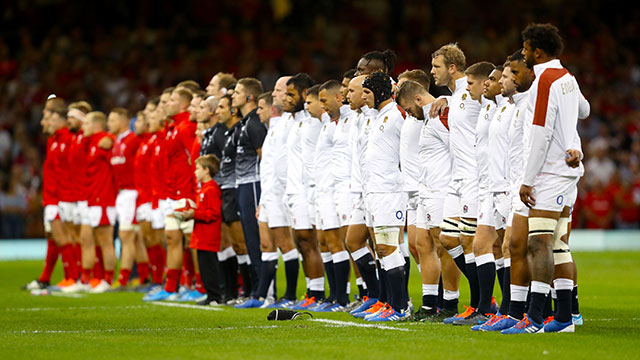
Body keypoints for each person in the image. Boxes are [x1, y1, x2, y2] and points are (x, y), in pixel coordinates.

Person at [505, 23, 585, 334]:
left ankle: (535, 319)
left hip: (548, 173)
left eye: (525, 49)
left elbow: (540, 132)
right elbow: (585, 111)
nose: (523, 55)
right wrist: (572, 144)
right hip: (563, 170)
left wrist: (527, 180)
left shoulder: (544, 80)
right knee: (556, 243)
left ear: (537, 51)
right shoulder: (567, 77)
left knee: (537, 244)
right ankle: (564, 318)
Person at [429, 44, 485, 325]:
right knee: (448, 238)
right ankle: (483, 301)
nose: (432, 72)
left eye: (436, 66)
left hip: (474, 176)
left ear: (452, 68)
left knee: (470, 241)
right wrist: (448, 101)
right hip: (457, 177)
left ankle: (481, 305)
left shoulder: (475, 91)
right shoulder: (455, 96)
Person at [396, 80, 460, 322]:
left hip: (440, 190)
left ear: (418, 100)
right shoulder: (424, 119)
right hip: (424, 191)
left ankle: (450, 304)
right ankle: (430, 304)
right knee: (422, 245)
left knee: (443, 247)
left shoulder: (438, 117)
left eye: (408, 108)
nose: (407, 114)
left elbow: (457, 148)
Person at [361, 72, 408, 322]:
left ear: (380, 91)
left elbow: (411, 147)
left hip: (390, 190)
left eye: (367, 92)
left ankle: (400, 307)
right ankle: (391, 304)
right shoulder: (379, 116)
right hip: (375, 191)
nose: (364, 97)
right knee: (382, 249)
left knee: (388, 247)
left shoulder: (396, 115)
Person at [282, 73, 326, 310]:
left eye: (291, 94)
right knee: (301, 241)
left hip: (311, 189)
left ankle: (319, 292)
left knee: (312, 241)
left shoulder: (317, 120)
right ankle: (312, 290)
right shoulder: (295, 121)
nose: (286, 99)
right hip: (294, 189)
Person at [231, 78, 267, 303]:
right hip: (243, 184)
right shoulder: (244, 122)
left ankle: (263, 291)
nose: (233, 96)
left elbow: (264, 156)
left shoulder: (254, 123)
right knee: (248, 239)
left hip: (254, 183)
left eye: (237, 92)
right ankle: (256, 289)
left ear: (249, 97)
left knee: (255, 239)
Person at [179, 155, 224, 306]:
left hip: (208, 236)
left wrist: (195, 214)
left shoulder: (211, 188)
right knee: (204, 268)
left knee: (210, 267)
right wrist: (190, 215)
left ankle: (215, 296)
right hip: (200, 235)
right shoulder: (203, 189)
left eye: (198, 169)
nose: (195, 172)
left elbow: (214, 213)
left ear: (207, 171)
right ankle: (210, 296)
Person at [107, 107, 142, 289]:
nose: (109, 124)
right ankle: (141, 277)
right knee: (134, 237)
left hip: (132, 192)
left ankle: (124, 278)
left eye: (112, 121)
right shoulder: (115, 142)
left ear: (122, 122)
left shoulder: (133, 140)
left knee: (126, 235)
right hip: (121, 194)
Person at [84, 111, 118, 293]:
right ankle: (99, 278)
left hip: (104, 199)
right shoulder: (93, 143)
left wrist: (110, 137)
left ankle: (109, 280)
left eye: (87, 123)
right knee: (98, 240)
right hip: (94, 199)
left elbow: (116, 142)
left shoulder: (104, 140)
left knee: (106, 241)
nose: (84, 127)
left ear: (97, 125)